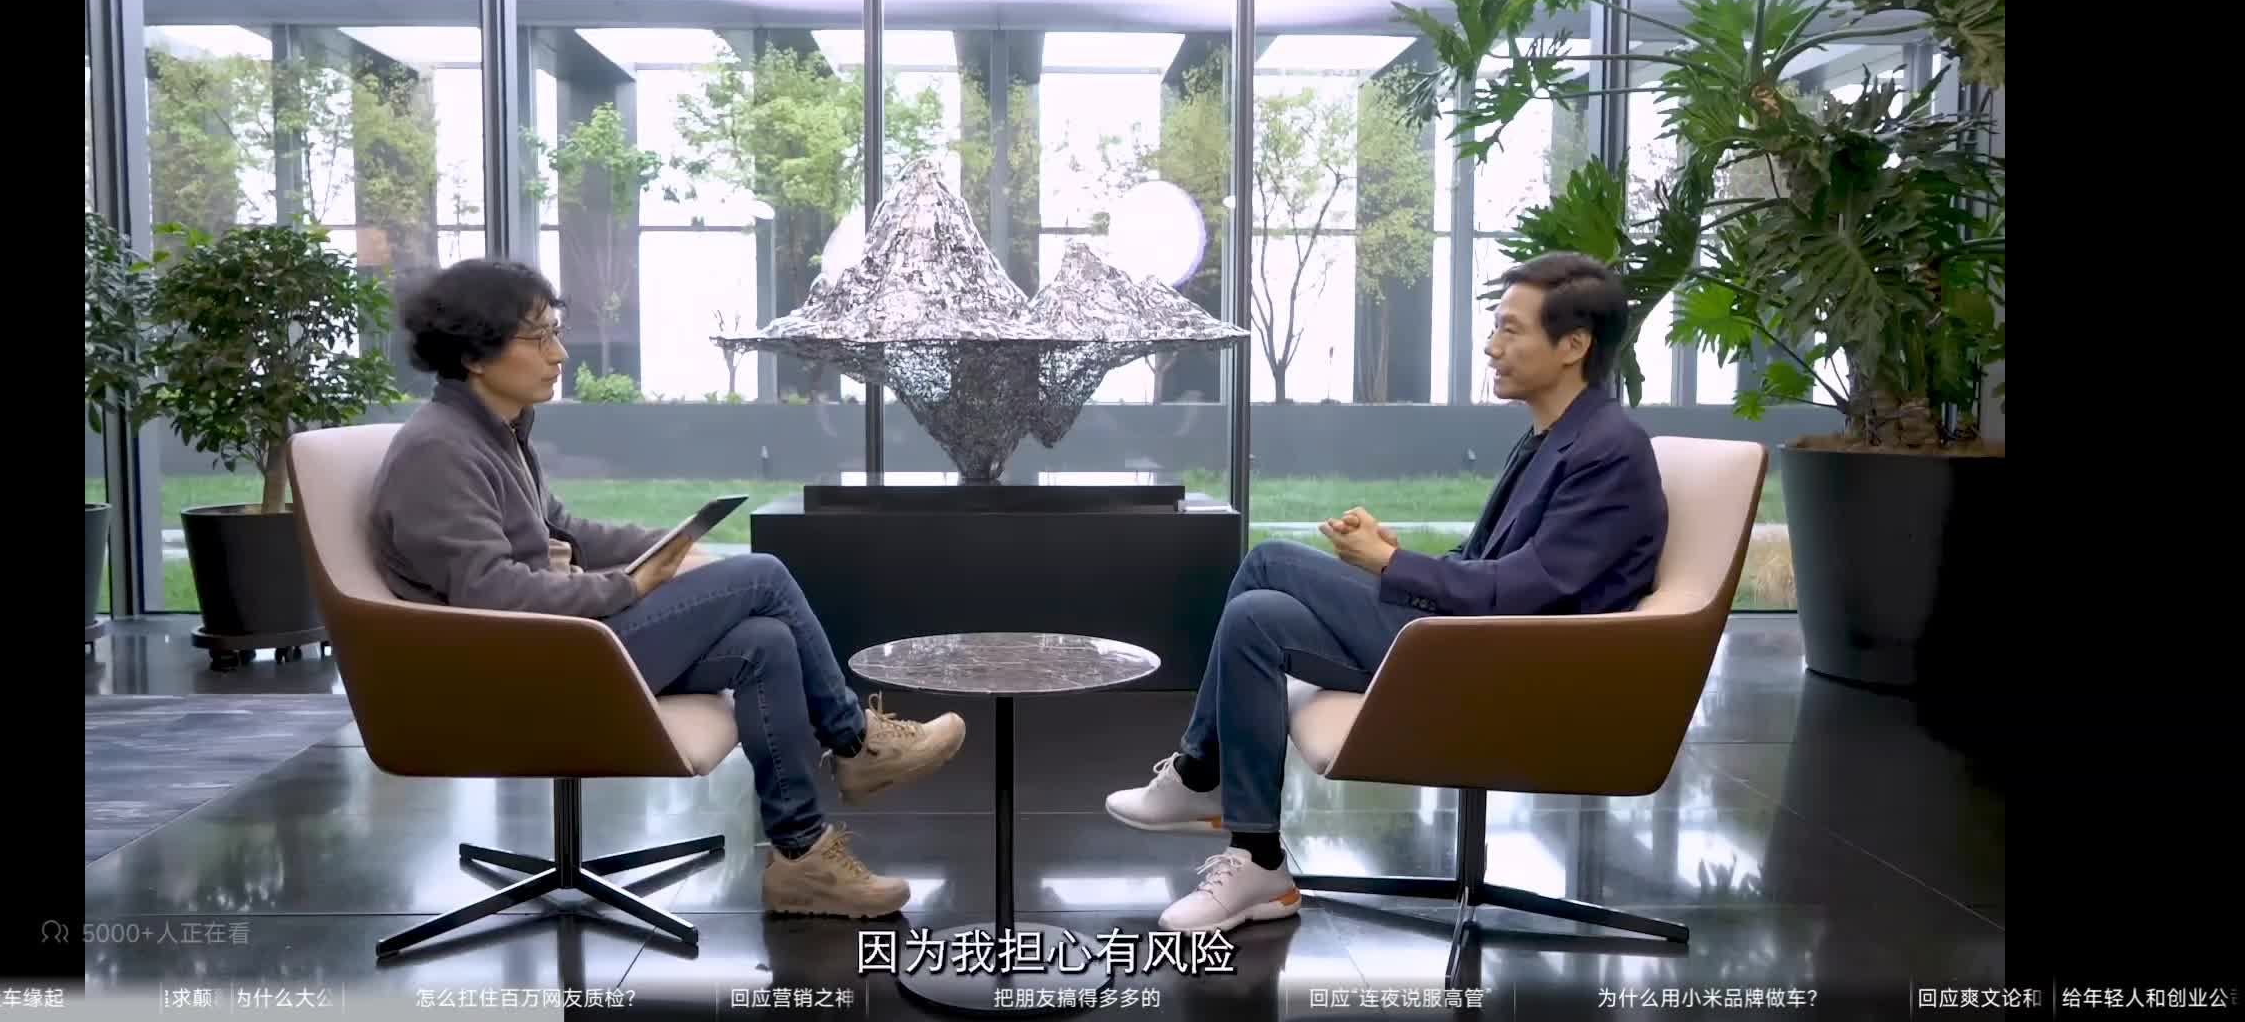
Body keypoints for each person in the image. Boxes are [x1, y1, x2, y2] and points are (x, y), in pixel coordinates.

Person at [368, 258, 966, 920]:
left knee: (766, 641)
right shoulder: (440, 450)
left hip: (558, 643)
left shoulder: (497, 432)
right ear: (474, 354)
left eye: (555, 331)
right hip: (520, 666)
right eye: (537, 338)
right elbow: (489, 592)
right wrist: (626, 585)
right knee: (763, 574)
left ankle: (803, 861)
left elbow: (564, 530)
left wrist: (669, 548)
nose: (558, 353)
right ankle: (857, 743)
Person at [1104, 252, 1669, 933]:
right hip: (1477, 639)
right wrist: (1403, 560)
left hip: (1516, 664)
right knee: (1256, 617)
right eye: (1495, 327)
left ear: (1573, 345)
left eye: (1510, 329)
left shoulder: (1608, 450)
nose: (1492, 346)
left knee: (1269, 560)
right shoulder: (1555, 437)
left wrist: (1392, 563)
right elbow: (1489, 564)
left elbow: (1525, 594)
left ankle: (1200, 773)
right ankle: (1257, 859)